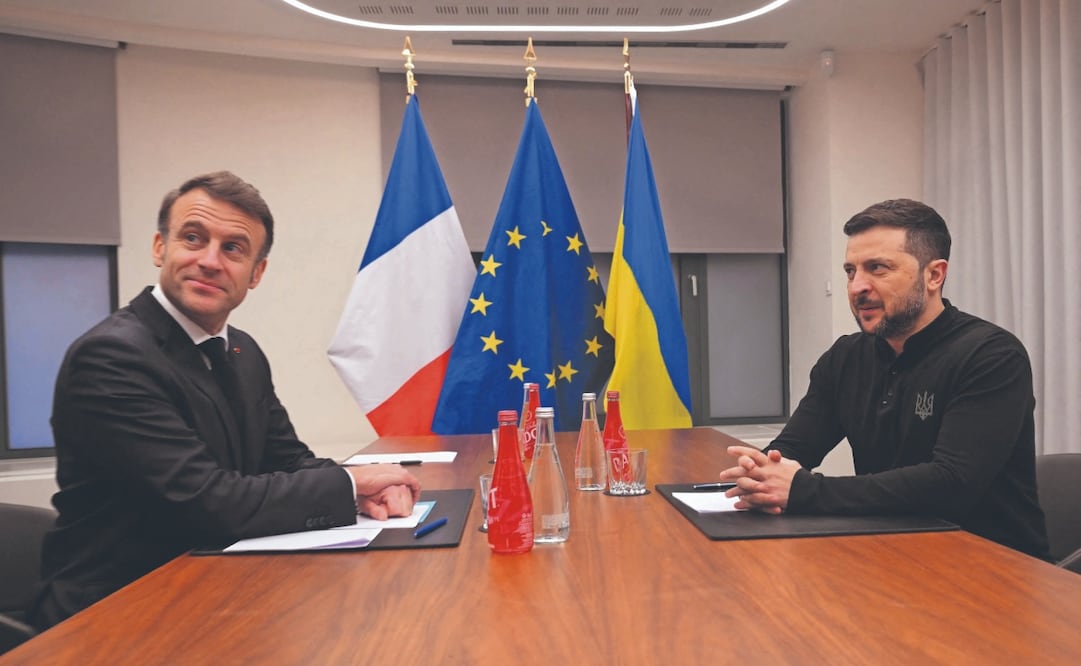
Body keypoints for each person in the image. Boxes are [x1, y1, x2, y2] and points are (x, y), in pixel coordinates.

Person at [30, 171, 421, 629]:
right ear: (160, 247)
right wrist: (353, 486)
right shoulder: (113, 355)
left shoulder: (242, 350)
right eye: (193, 238)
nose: (210, 261)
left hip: (216, 591)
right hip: (114, 613)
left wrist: (362, 492)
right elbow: (208, 500)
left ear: (256, 273)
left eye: (233, 248)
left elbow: (287, 459)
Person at [719, 199, 1049, 559]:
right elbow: (792, 451)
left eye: (877, 268)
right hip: (888, 552)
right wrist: (760, 475)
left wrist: (803, 490)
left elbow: (952, 482)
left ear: (934, 275)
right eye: (850, 271)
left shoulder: (991, 356)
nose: (857, 286)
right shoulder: (845, 357)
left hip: (991, 569)